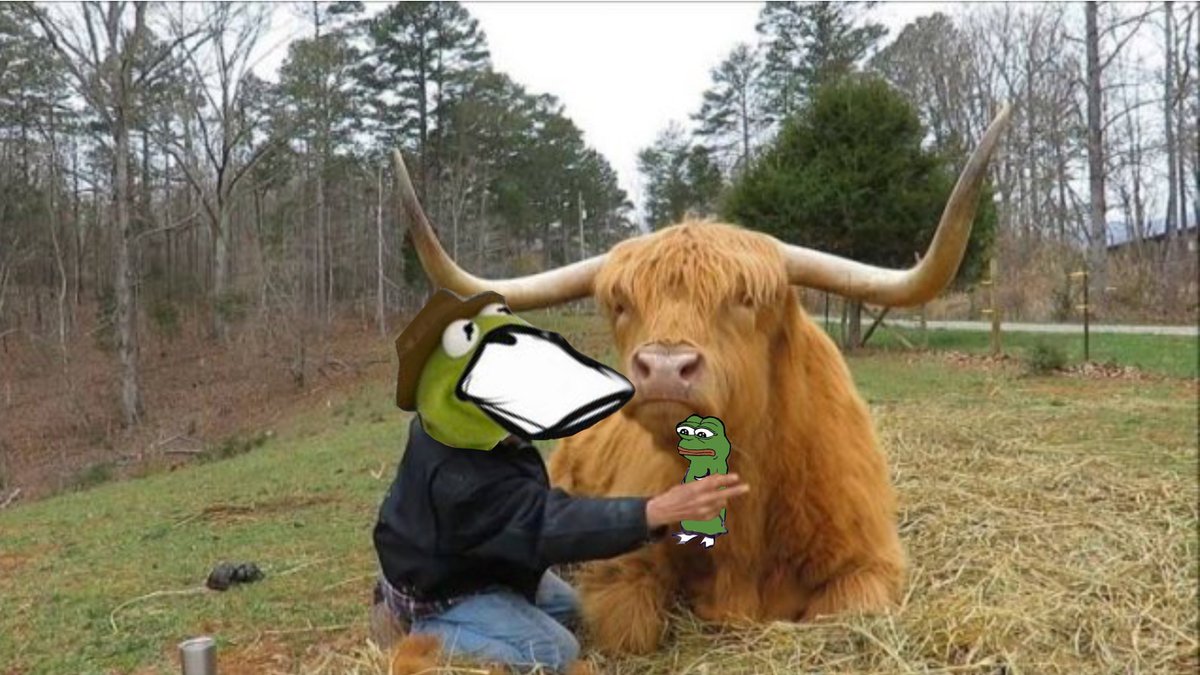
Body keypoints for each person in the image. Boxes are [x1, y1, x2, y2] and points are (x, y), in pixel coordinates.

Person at [371, 289, 749, 674]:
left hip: (480, 561)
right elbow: (543, 524)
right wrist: (652, 512)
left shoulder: (466, 429)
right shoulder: (461, 479)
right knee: (557, 651)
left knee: (576, 611)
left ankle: (494, 609)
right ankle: (424, 626)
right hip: (446, 589)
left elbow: (527, 512)